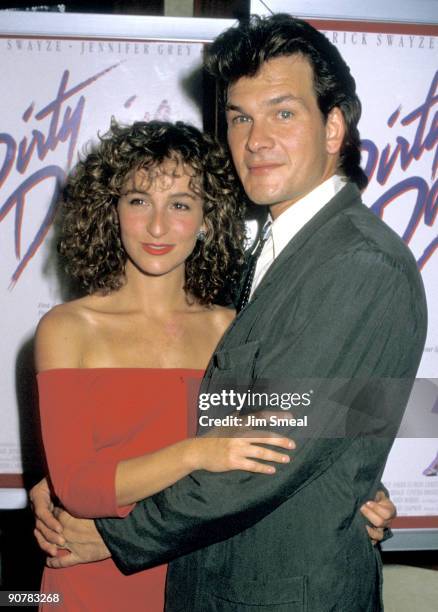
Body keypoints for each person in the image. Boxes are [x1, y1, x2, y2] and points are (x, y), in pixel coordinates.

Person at [31, 14, 426, 611]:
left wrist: (113, 534)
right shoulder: (271, 255)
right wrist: (350, 477)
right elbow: (317, 408)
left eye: (283, 112)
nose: (256, 138)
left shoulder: (357, 262)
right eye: (241, 117)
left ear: (334, 126)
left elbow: (276, 441)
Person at [34, 119, 299, 611]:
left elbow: (288, 432)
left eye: (179, 204)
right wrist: (197, 453)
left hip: (202, 578)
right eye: (139, 200)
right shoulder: (68, 328)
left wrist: (361, 490)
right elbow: (80, 490)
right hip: (85, 584)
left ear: (207, 218)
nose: (158, 226)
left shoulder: (231, 328)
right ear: (111, 212)